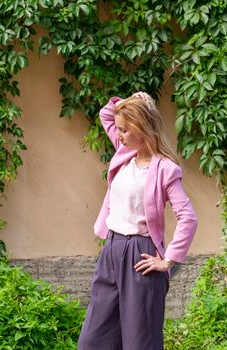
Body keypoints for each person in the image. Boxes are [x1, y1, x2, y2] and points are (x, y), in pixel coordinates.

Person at [78, 92, 198, 350]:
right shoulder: (124, 153)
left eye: (124, 130)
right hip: (110, 250)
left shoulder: (165, 169)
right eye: (118, 130)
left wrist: (168, 260)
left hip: (140, 256)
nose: (118, 135)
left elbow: (188, 217)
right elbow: (106, 114)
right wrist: (134, 99)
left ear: (140, 129)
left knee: (139, 342)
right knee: (93, 341)